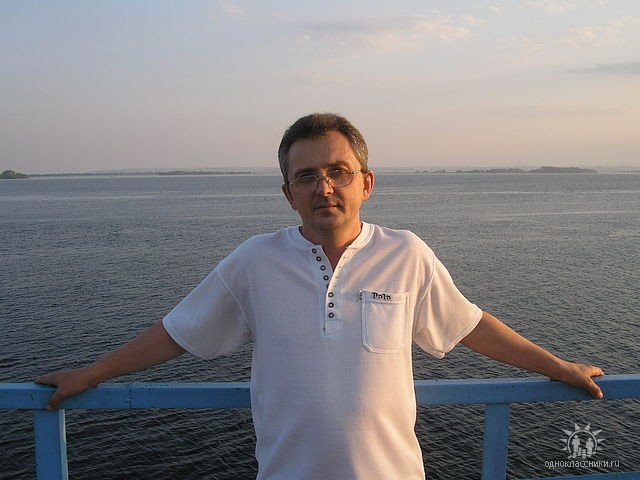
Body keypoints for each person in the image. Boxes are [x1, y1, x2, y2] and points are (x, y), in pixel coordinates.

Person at [37, 113, 605, 480]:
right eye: (306, 176)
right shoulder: (255, 261)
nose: (324, 187)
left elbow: (470, 324)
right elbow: (177, 332)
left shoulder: (406, 253)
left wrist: (557, 367)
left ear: (367, 182)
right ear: (289, 193)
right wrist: (92, 373)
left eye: (338, 171)